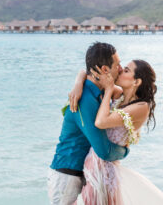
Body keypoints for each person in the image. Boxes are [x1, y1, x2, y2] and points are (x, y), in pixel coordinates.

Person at [69, 59, 163, 204]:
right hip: (93, 166)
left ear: (136, 82)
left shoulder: (141, 106)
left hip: (104, 171)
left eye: (126, 70)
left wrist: (109, 90)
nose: (120, 71)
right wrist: (77, 85)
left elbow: (100, 122)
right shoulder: (121, 96)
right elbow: (85, 72)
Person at [48, 42, 130, 205]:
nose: (121, 68)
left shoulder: (99, 92)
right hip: (67, 178)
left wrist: (80, 77)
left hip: (80, 175)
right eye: (118, 64)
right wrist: (125, 150)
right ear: (105, 70)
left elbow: (122, 91)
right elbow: (104, 151)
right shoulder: (84, 98)